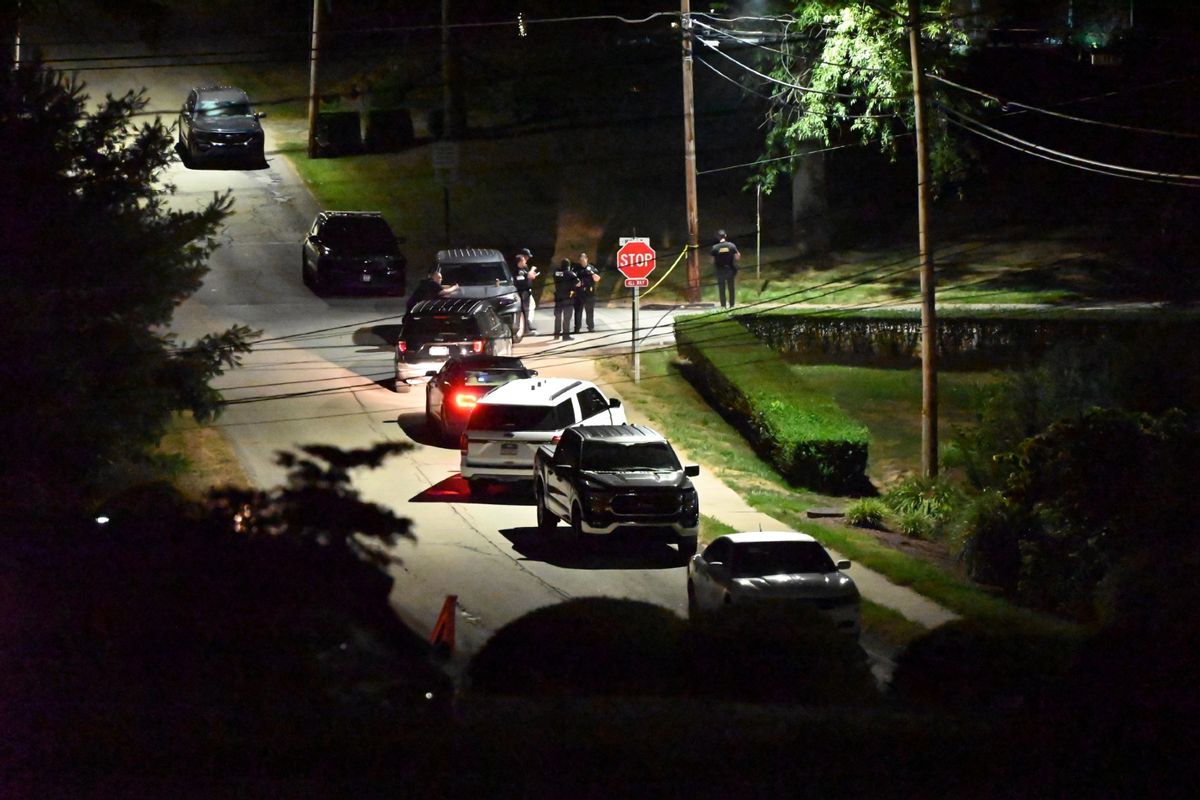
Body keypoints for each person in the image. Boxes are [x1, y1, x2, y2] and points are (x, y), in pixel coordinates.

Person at [711, 229, 741, 309]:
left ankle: (723, 305)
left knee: (722, 289)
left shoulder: (715, 248)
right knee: (731, 288)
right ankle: (732, 305)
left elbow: (712, 260)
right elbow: (738, 256)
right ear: (725, 236)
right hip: (730, 269)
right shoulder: (731, 245)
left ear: (718, 237)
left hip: (720, 270)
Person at [572, 251, 601, 333]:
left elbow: (598, 279)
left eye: (584, 260)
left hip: (589, 293)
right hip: (578, 293)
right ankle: (577, 328)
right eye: (581, 260)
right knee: (578, 311)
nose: (582, 261)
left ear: (587, 259)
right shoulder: (575, 269)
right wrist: (575, 283)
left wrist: (593, 274)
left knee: (589, 311)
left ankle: (591, 327)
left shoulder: (591, 268)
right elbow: (571, 278)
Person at [551, 257, 580, 340]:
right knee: (567, 317)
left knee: (558, 316)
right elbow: (578, 283)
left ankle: (556, 334)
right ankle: (565, 335)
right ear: (568, 266)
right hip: (568, 298)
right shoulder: (571, 274)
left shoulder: (556, 273)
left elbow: (556, 274)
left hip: (558, 297)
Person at [513, 249, 540, 334]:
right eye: (524, 259)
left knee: (530, 308)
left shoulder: (524, 267)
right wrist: (532, 270)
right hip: (523, 292)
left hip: (526, 291)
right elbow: (523, 278)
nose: (526, 260)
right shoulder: (518, 270)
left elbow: (528, 276)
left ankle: (528, 326)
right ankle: (527, 328)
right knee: (526, 310)